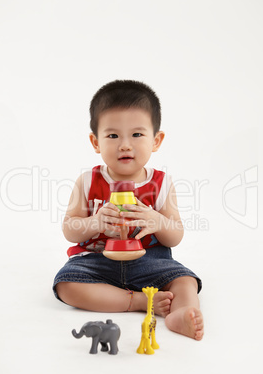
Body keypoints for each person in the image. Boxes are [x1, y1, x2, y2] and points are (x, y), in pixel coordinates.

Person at [53, 80, 204, 341]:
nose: (125, 144)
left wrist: (158, 221)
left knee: (184, 281)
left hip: (150, 261)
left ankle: (181, 314)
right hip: (97, 261)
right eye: (113, 136)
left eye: (137, 134)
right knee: (67, 285)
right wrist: (96, 222)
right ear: (95, 142)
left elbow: (176, 235)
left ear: (156, 140)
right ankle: (137, 301)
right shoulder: (87, 181)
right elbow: (70, 229)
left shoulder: (162, 184)